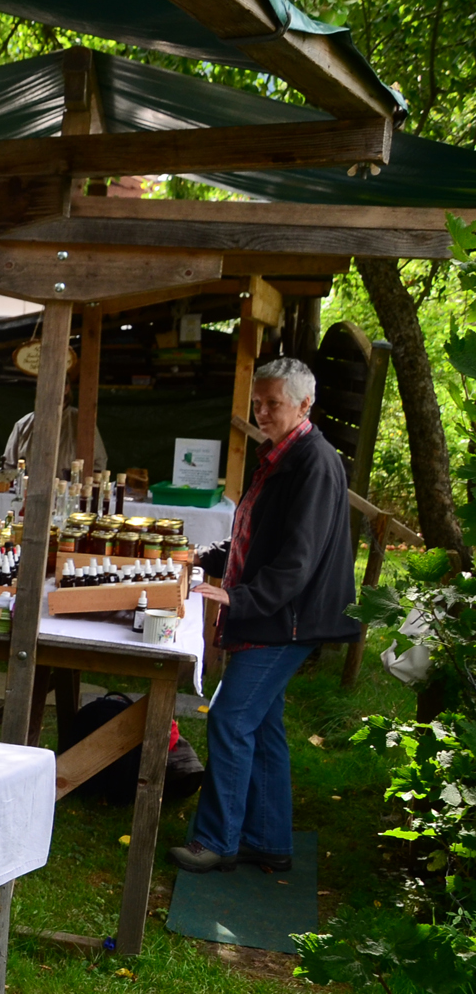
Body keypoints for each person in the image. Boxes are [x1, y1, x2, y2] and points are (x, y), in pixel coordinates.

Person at [171, 357, 360, 874]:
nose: (262, 412)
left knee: (231, 719)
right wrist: (207, 559)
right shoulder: (280, 454)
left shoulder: (314, 462)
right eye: (258, 403)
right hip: (278, 612)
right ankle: (269, 841)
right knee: (264, 725)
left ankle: (218, 841)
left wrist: (242, 600)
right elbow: (257, 536)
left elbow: (297, 559)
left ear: (304, 404)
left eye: (272, 403)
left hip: (288, 618)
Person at [0, 400, 108, 475]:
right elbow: (9, 465)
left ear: (67, 388)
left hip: (70, 496)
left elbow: (98, 463)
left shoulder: (83, 423)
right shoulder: (23, 425)